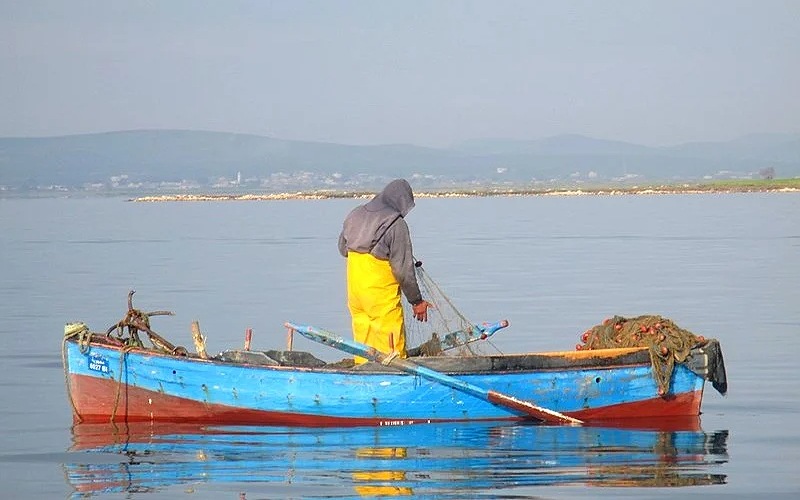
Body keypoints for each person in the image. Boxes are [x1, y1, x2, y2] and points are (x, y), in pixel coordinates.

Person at [338, 179, 431, 363]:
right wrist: (416, 301)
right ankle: (394, 375)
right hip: (379, 294)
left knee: (363, 333)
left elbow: (343, 249)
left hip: (356, 290)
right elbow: (403, 269)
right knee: (391, 342)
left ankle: (364, 371)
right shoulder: (396, 225)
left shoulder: (355, 214)